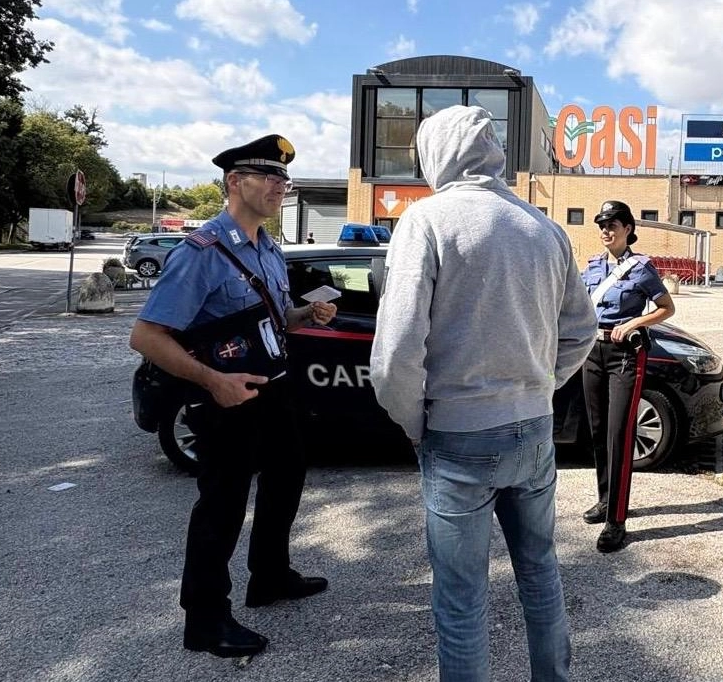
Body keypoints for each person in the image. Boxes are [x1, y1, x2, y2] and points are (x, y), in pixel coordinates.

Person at [371, 105, 595, 682]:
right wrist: (541, 385)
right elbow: (582, 330)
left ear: (435, 153)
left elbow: (396, 350)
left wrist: (415, 422)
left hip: (459, 433)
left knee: (462, 597)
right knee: (541, 570)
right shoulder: (544, 228)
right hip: (534, 429)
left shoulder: (426, 221)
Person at [128, 134, 336, 659]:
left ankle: (268, 576)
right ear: (233, 182)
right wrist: (212, 382)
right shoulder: (202, 252)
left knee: (287, 476)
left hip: (273, 388)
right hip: (225, 398)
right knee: (221, 505)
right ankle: (204, 618)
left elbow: (271, 318)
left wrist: (305, 316)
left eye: (283, 178)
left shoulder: (267, 246)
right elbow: (147, 336)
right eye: (268, 177)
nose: (279, 186)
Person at [580, 200, 675, 553]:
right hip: (594, 351)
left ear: (628, 229)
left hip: (625, 356)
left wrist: (634, 322)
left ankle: (616, 521)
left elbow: (667, 307)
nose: (606, 231)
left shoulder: (640, 268)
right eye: (602, 225)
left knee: (620, 435)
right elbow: (578, 304)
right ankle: (606, 500)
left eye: (613, 225)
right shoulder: (591, 267)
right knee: (597, 431)